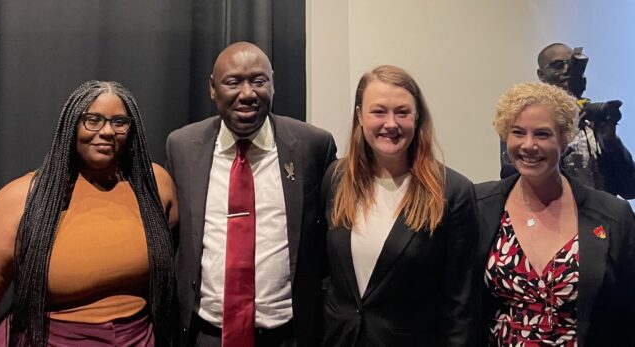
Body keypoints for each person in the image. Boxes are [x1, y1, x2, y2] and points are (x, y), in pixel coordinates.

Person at [0, 81, 177, 346]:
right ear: (70, 125)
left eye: (119, 122)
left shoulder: (156, 187)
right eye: (92, 120)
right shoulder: (19, 201)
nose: (107, 131)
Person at [165, 41, 337, 347]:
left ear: (273, 84)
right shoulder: (182, 147)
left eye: (259, 81)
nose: (247, 94)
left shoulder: (313, 146)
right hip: (205, 335)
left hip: (287, 335)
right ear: (212, 88)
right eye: (233, 82)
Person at [321, 65, 478, 346]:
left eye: (402, 112)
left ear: (417, 118)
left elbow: (460, 304)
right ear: (359, 116)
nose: (391, 124)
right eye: (378, 111)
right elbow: (324, 275)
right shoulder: (336, 178)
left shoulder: (453, 192)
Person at [478, 82, 635, 346]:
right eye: (518, 132)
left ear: (564, 139)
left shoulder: (613, 215)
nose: (528, 145)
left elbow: (629, 309)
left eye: (542, 134)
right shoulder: (480, 205)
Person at [500, 43, 635, 199]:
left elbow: (629, 189)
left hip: (599, 218)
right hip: (548, 215)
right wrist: (565, 133)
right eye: (557, 65)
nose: (566, 71)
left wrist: (611, 142)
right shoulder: (523, 120)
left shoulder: (593, 120)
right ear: (541, 75)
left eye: (571, 65)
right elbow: (511, 178)